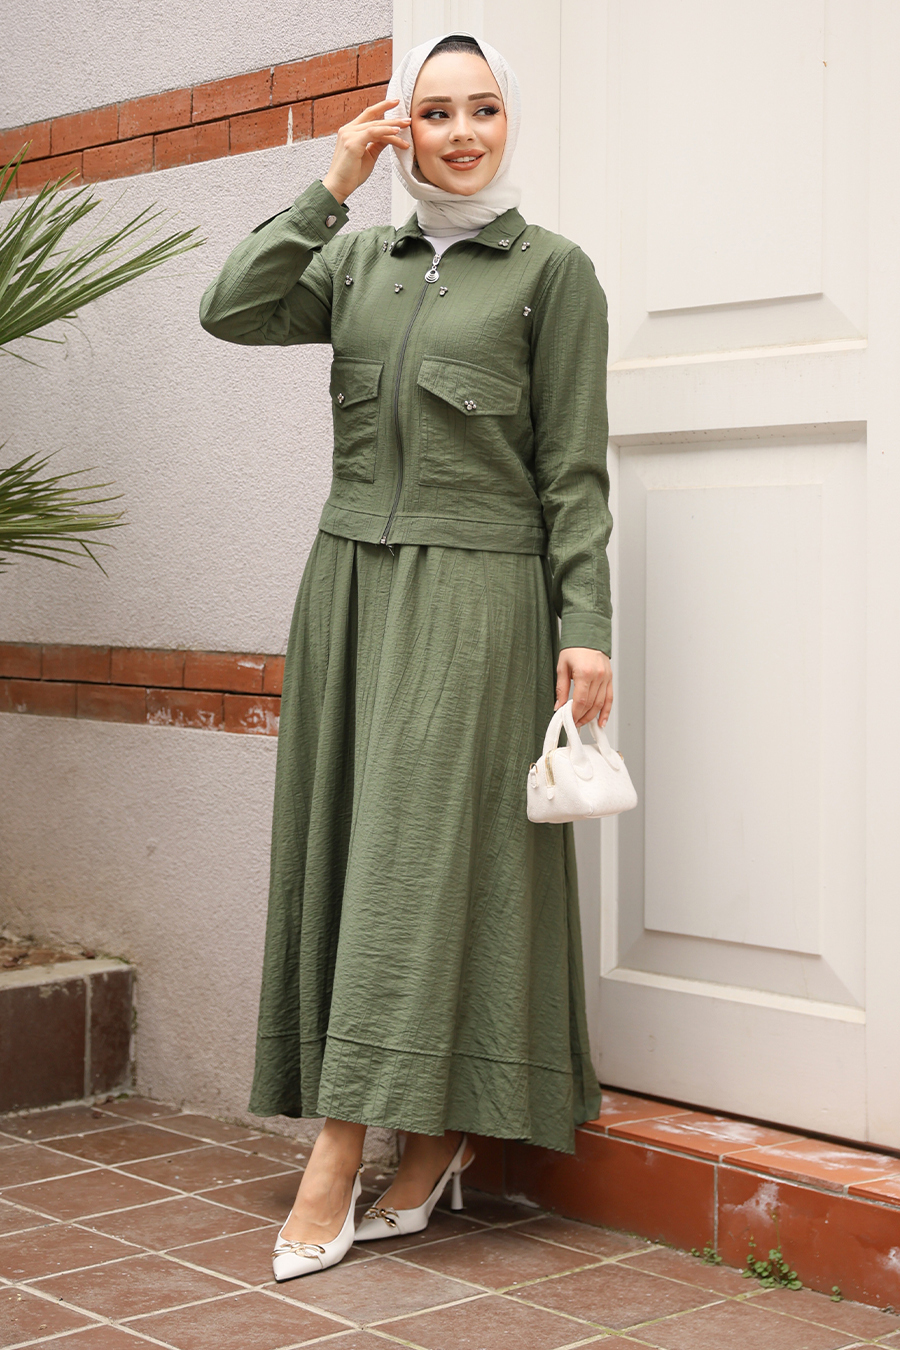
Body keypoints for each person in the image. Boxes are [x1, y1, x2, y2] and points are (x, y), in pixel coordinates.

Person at [199, 30, 613, 1281]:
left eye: (484, 109)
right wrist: (332, 181)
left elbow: (573, 469)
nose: (464, 133)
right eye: (437, 113)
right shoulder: (357, 261)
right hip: (349, 590)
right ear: (403, 129)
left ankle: (338, 1155)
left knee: (416, 866)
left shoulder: (552, 271)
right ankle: (434, 1140)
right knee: (353, 849)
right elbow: (232, 308)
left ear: (507, 122)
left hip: (478, 595)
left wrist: (585, 623)